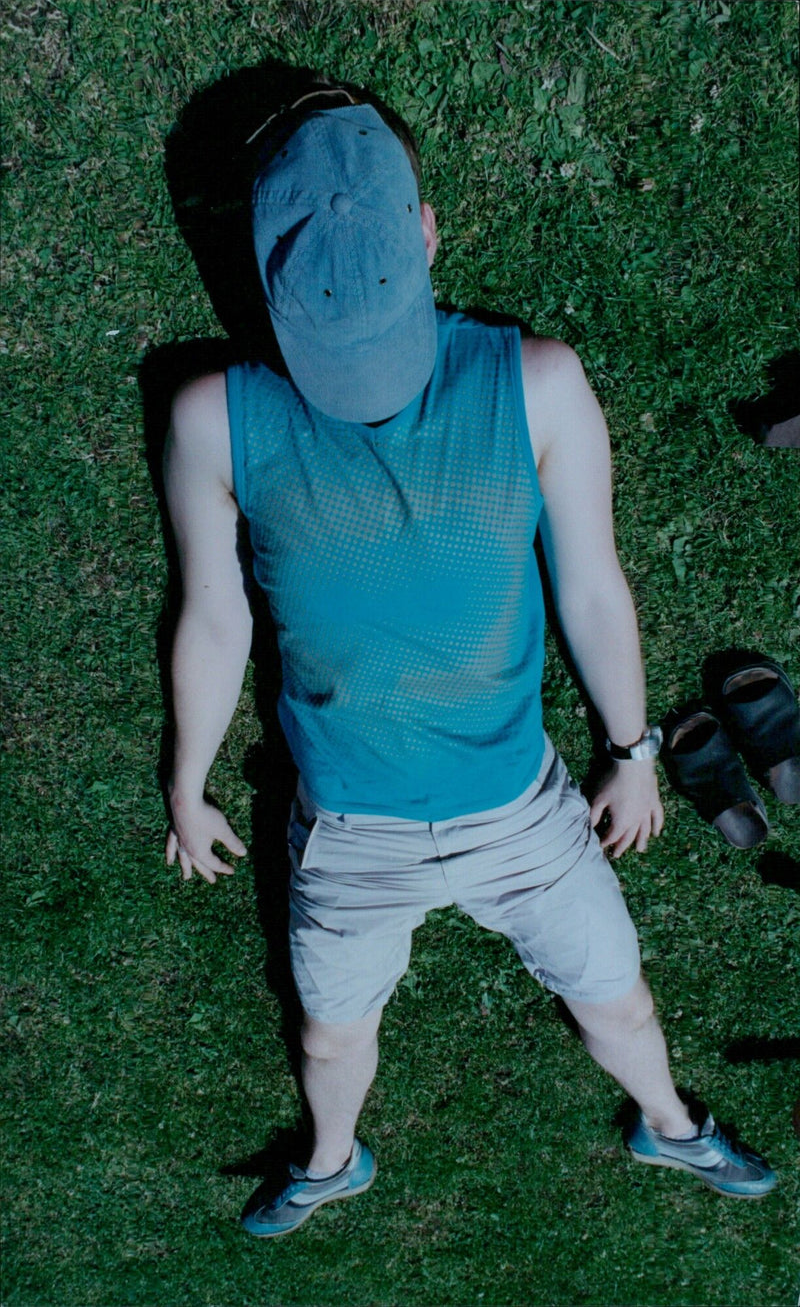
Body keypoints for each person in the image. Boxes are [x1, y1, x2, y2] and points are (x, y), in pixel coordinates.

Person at [162, 80, 776, 1236]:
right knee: (331, 1033)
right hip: (350, 833)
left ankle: (669, 1123)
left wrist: (632, 751)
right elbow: (213, 612)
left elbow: (591, 585)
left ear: (429, 233)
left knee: (619, 1000)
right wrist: (185, 783)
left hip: (522, 813)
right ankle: (333, 1158)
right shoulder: (215, 417)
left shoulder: (534, 384)